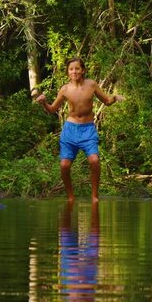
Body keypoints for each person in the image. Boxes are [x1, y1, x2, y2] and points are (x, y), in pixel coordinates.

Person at [34, 57, 124, 203]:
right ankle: (70, 196)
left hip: (88, 130)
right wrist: (44, 103)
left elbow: (106, 101)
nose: (74, 71)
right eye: (71, 69)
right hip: (70, 130)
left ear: (83, 70)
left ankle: (94, 196)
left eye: (77, 68)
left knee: (94, 160)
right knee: (64, 165)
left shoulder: (91, 85)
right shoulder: (65, 89)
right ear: (67, 72)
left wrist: (114, 97)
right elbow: (52, 110)